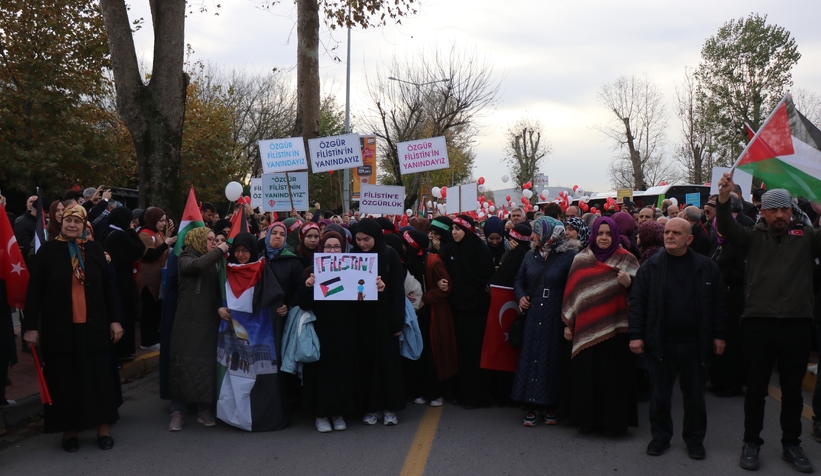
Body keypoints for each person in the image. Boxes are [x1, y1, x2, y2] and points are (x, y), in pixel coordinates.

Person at [717, 173, 819, 473]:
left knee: (792, 391)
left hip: (797, 325)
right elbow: (725, 227)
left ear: (791, 211)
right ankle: (751, 442)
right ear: (762, 211)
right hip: (758, 324)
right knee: (757, 389)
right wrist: (723, 199)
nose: (778, 215)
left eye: (784, 209)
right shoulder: (751, 237)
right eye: (772, 209)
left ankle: (792, 444)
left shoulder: (807, 238)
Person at [22, 205, 124, 452]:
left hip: (94, 326)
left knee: (98, 379)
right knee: (65, 381)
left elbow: (108, 289)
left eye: (77, 222)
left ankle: (102, 428)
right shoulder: (47, 251)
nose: (72, 225)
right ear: (61, 221)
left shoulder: (95, 250)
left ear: (84, 225)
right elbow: (34, 291)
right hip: (60, 329)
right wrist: (30, 327)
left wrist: (115, 320)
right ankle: (70, 431)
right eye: (68, 220)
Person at [628, 217, 727, 461]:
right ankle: (660, 437)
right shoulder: (650, 267)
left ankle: (694, 440)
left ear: (689, 239)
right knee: (660, 394)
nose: (670, 236)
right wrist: (636, 336)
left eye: (676, 233)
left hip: (695, 343)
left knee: (694, 396)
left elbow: (719, 305)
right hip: (661, 343)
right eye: (667, 232)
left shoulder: (706, 267)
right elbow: (638, 303)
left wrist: (719, 335)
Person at [562, 216, 639, 435]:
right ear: (593, 234)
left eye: (608, 234)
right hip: (585, 330)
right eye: (600, 233)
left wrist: (630, 283)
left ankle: (613, 424)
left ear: (614, 235)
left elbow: (643, 294)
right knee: (587, 378)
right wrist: (568, 324)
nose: (603, 238)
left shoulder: (628, 260)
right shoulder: (581, 260)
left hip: (618, 332)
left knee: (614, 379)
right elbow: (573, 294)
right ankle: (587, 421)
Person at [511, 217, 576, 426]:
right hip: (533, 314)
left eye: (537, 232)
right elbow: (519, 280)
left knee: (552, 357)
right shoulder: (530, 256)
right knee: (531, 355)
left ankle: (550, 405)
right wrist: (521, 296)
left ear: (549, 234)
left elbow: (574, 286)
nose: (533, 236)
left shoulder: (569, 257)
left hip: (555, 314)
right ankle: (531, 405)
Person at [168, 227, 229, 431]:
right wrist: (220, 250)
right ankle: (178, 411)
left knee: (205, 365)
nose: (212, 242)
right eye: (209, 239)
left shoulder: (212, 261)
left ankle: (204, 409)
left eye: (214, 239)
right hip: (187, 323)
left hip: (207, 322)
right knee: (182, 364)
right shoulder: (187, 256)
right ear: (198, 240)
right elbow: (195, 267)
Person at [299, 231, 360, 432]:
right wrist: (308, 286)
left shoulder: (354, 270)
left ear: (343, 249)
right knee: (321, 374)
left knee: (342, 371)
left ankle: (338, 412)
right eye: (328, 247)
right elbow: (302, 303)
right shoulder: (311, 271)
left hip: (345, 330)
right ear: (321, 248)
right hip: (320, 330)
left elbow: (363, 301)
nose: (332, 250)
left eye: (336, 247)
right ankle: (321, 414)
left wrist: (373, 286)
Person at [352, 219, 406, 425]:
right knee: (366, 365)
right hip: (362, 320)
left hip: (384, 319)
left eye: (367, 239)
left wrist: (396, 323)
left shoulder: (389, 254)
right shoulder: (353, 256)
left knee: (387, 364)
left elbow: (397, 292)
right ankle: (371, 408)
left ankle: (390, 408)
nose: (363, 244)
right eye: (358, 239)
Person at [442, 215, 494, 409]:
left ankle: (476, 395)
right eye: (453, 228)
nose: (454, 232)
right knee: (459, 352)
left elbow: (486, 276)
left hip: (476, 311)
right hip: (456, 309)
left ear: (468, 230)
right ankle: (459, 393)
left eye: (459, 228)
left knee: (474, 353)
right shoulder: (450, 249)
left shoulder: (480, 250)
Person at [401, 229, 454, 408]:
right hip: (416, 314)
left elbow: (446, 287)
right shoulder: (407, 263)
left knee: (433, 354)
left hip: (433, 314)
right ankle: (421, 390)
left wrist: (425, 298)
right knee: (419, 353)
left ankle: (435, 392)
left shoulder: (433, 261)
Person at [708, 212, 746, 398]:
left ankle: (733, 383)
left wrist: (720, 272)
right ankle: (718, 381)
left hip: (733, 300)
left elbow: (742, 274)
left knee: (732, 342)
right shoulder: (717, 245)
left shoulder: (738, 246)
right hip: (718, 299)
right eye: (718, 226)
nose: (720, 230)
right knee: (718, 339)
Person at [103, 207, 146, 362]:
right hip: (122, 281)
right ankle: (123, 351)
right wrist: (132, 231)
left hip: (115, 279)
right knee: (124, 313)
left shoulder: (107, 231)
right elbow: (139, 249)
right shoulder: (120, 236)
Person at [136, 208, 176, 351]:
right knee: (149, 311)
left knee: (156, 311)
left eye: (164, 220)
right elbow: (150, 255)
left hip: (158, 280)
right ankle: (147, 341)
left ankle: (154, 337)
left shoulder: (158, 233)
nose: (163, 223)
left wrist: (168, 236)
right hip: (148, 281)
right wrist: (167, 243)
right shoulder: (144, 234)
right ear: (152, 220)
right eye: (160, 221)